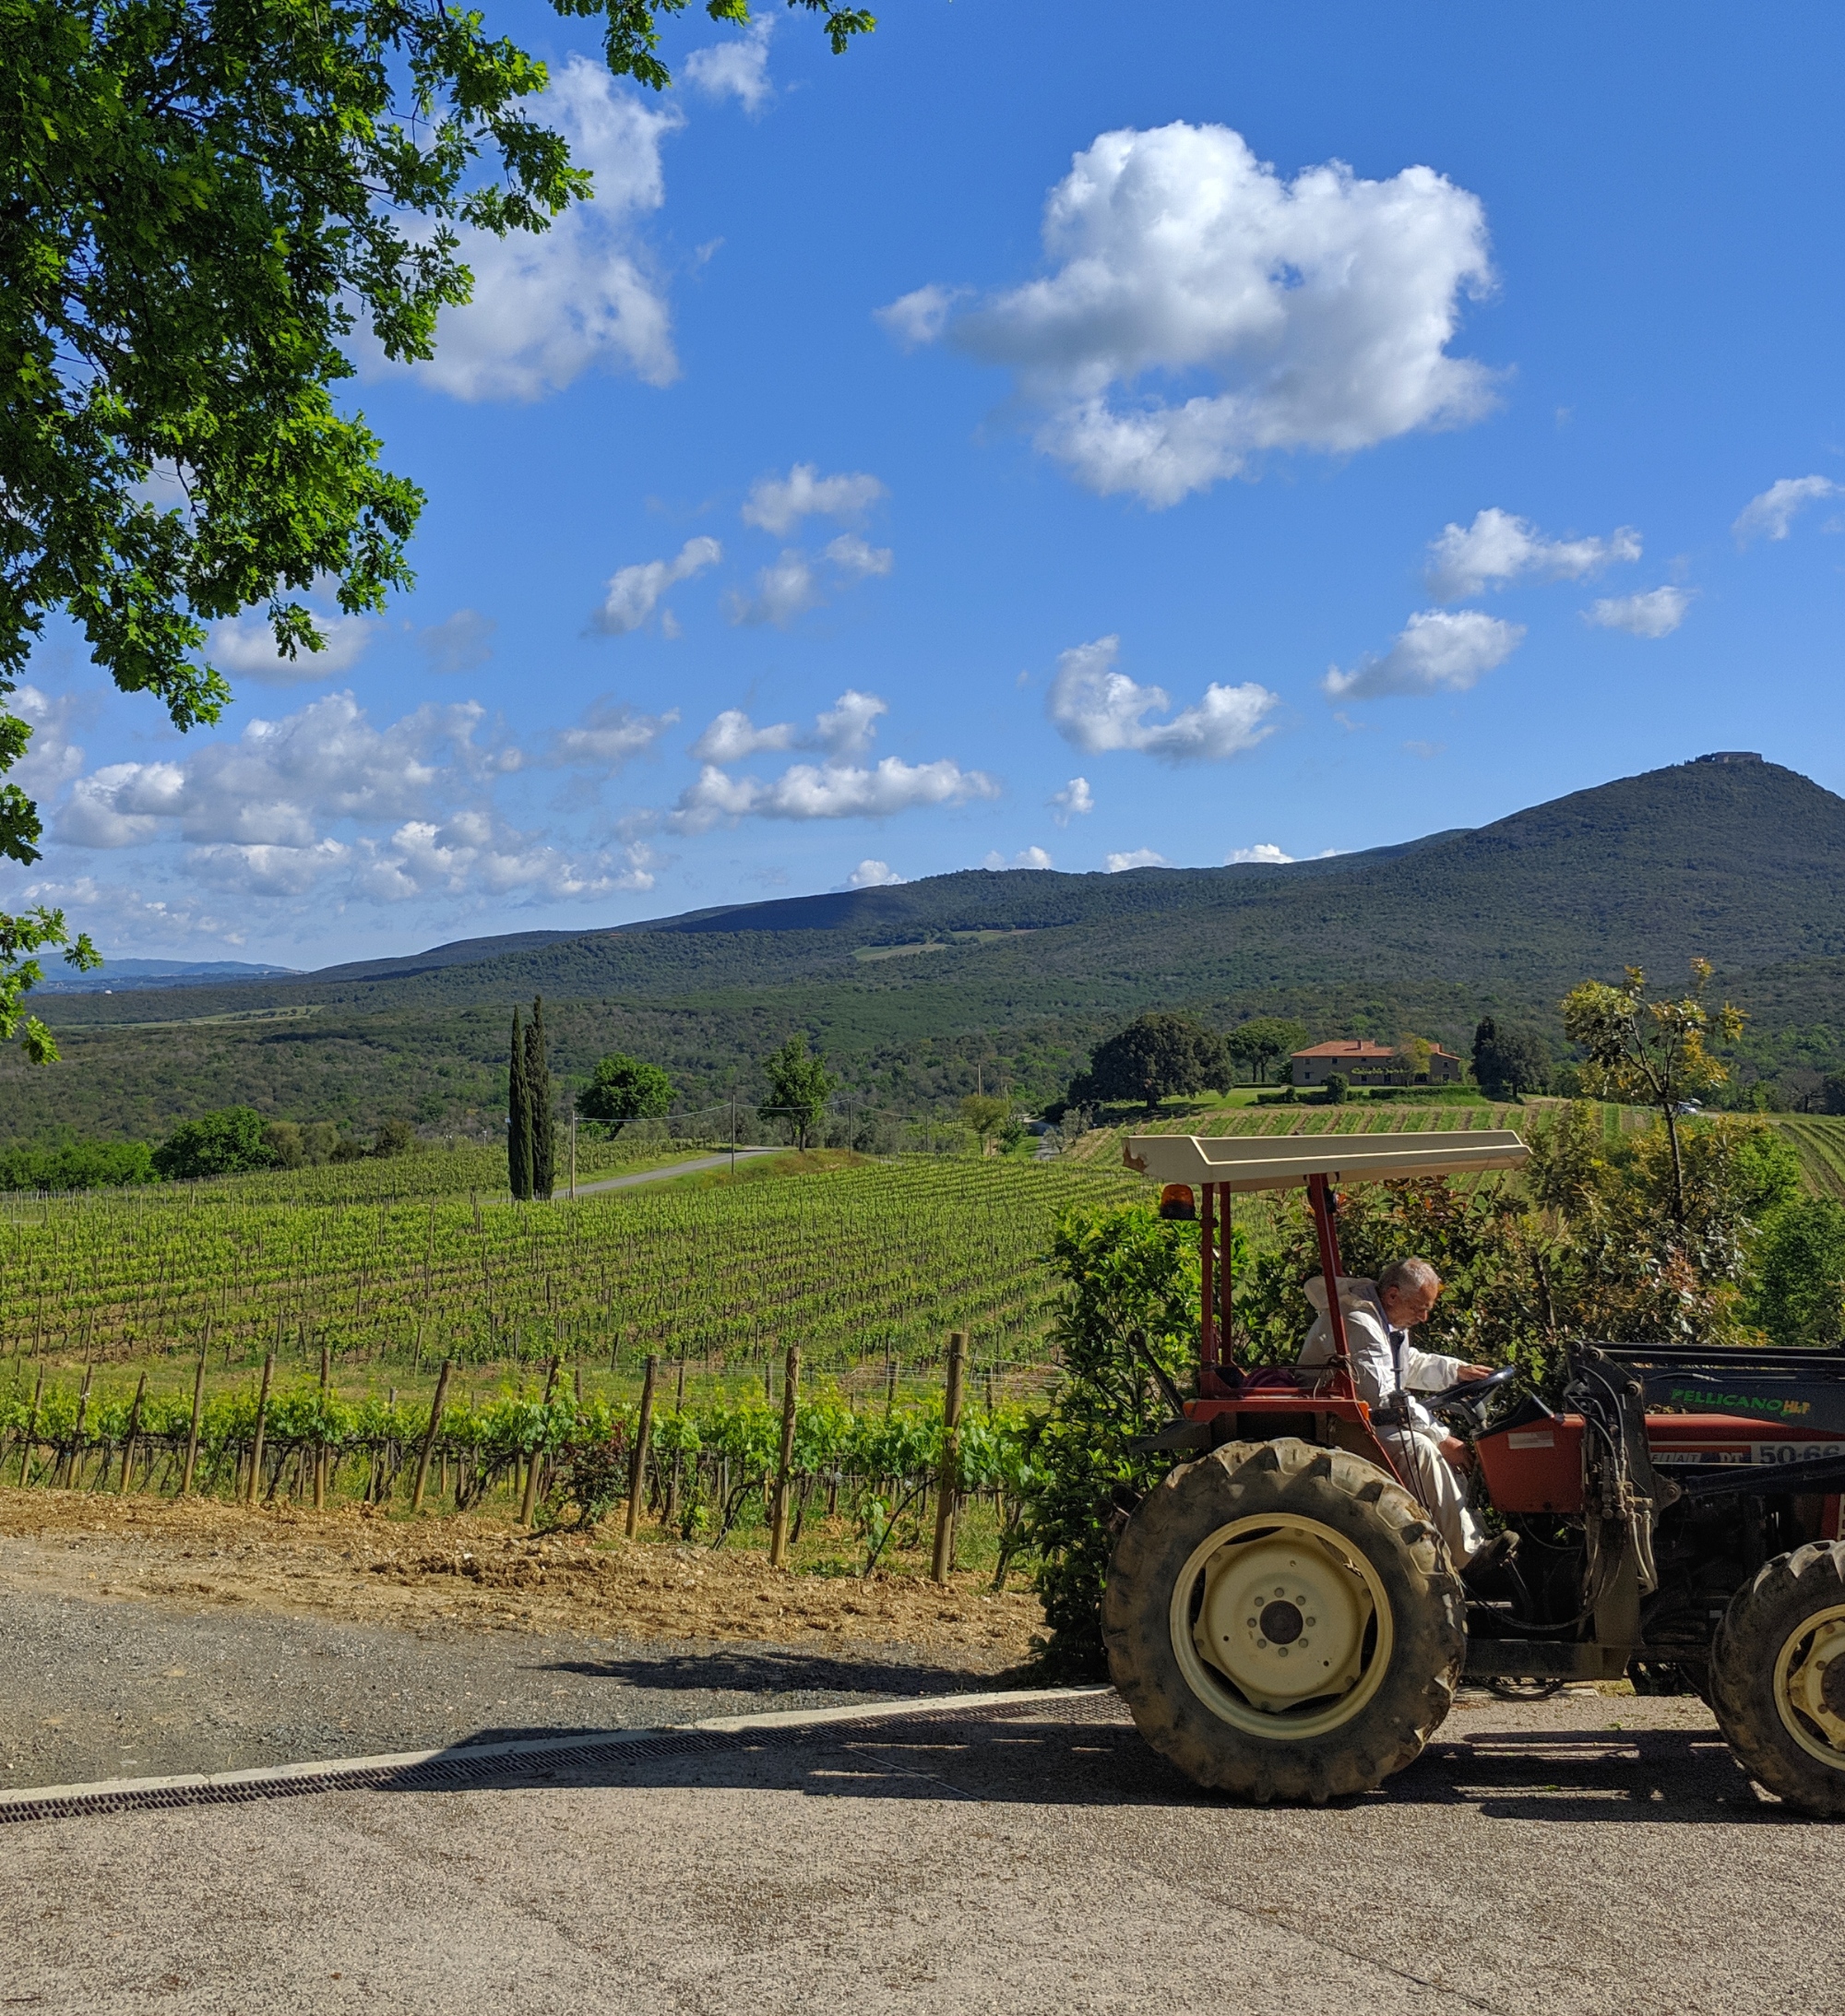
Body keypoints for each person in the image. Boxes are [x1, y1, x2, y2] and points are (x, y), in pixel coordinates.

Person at [1296, 1257, 1493, 1566]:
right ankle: (1467, 1558)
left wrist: (1456, 1371)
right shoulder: (1358, 1319)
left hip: (1362, 1414)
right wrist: (1442, 1437)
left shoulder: (1380, 1317)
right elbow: (1385, 1395)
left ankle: (1471, 1538)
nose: (1425, 1317)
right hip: (1340, 1423)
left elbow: (1404, 1362)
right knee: (1422, 1450)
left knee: (1435, 1449)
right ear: (1392, 1295)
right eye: (1420, 1308)